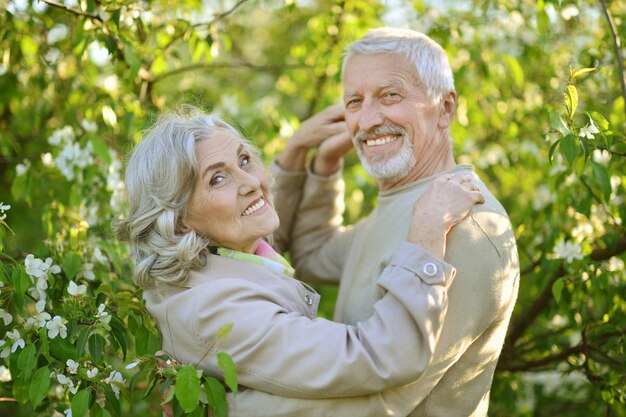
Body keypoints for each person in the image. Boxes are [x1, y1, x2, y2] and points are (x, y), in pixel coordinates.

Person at [115, 106, 484, 408]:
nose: (252, 182)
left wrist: (299, 156)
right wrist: (426, 235)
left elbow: (272, 232)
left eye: (245, 160)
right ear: (179, 221)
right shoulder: (214, 311)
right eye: (217, 179)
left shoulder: (214, 258)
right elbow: (381, 355)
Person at [260, 27, 520, 416]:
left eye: (390, 95)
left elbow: (384, 400)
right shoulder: (402, 205)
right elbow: (312, 256)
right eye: (354, 102)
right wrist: (308, 157)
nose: (367, 121)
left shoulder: (464, 224)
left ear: (445, 108)